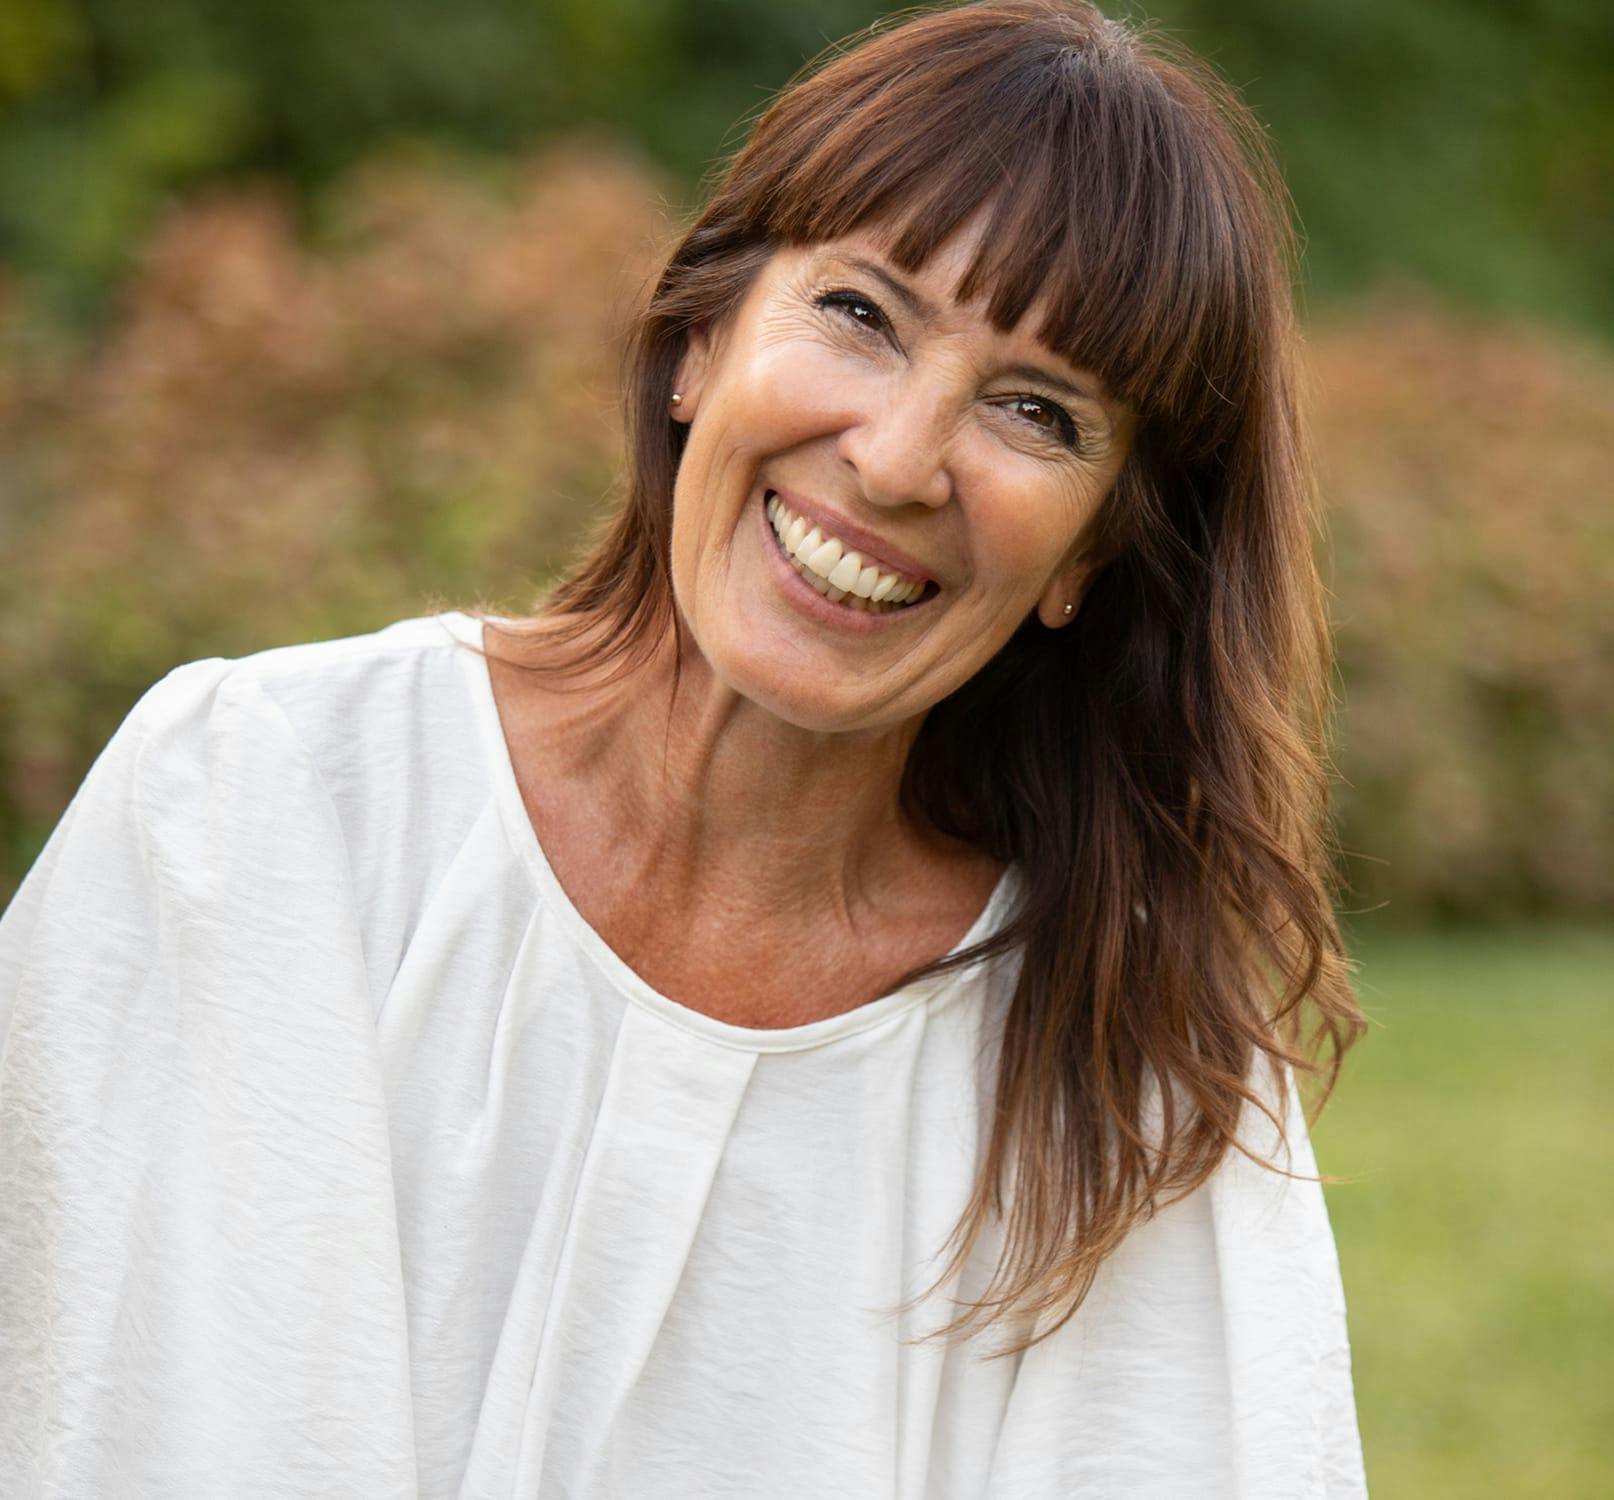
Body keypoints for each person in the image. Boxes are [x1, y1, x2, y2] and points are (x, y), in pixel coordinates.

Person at [0, 0, 1372, 1494]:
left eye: (1034, 411)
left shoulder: (1133, 1076)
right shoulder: (253, 803)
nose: (899, 460)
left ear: (1091, 558)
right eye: (859, 314)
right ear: (701, 337)